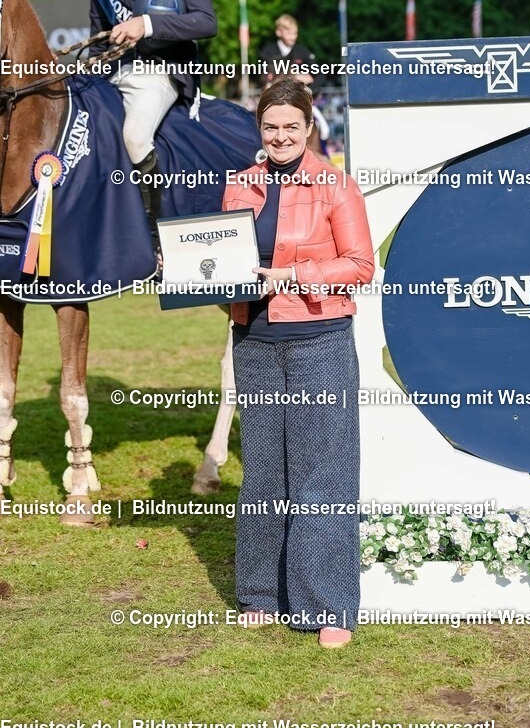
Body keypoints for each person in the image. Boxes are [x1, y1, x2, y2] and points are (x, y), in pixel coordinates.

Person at [222, 78, 374, 648]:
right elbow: (226, 259)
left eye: (291, 127)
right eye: (270, 127)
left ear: (309, 128)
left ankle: (329, 605)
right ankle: (260, 594)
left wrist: (296, 276)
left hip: (320, 340)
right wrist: (195, 273)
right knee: (263, 471)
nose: (281, 136)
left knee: (323, 474)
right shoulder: (240, 186)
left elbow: (360, 265)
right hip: (255, 341)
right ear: (259, 131)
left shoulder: (336, 185)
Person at [85, 0, 217, 246]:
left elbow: (207, 22)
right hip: (114, 74)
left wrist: (147, 24)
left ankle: (156, 241)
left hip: (158, 74)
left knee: (134, 135)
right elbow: (98, 38)